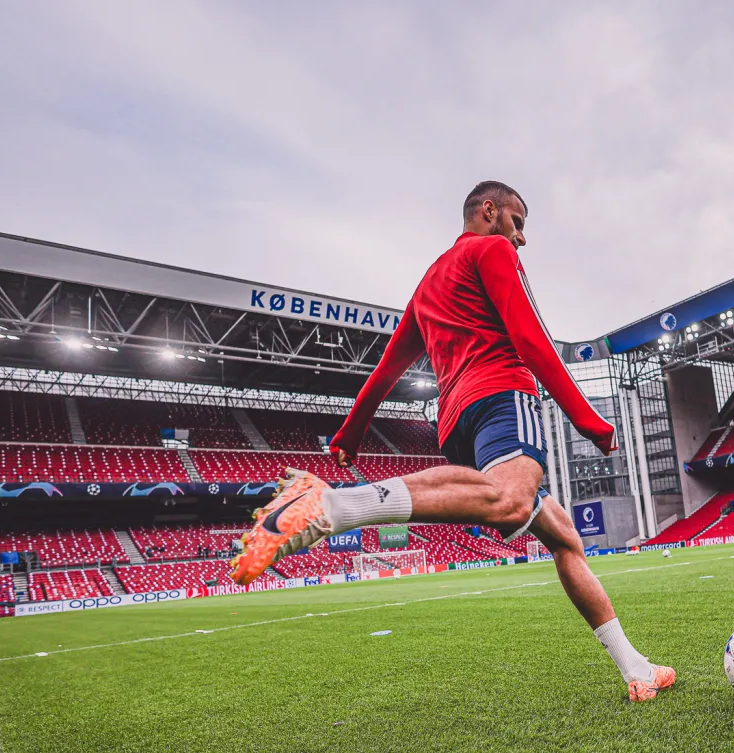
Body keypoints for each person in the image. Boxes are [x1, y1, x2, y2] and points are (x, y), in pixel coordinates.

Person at [229, 181, 674, 702]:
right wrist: (588, 420)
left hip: (454, 423)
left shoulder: (430, 281)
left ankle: (636, 668)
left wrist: (352, 429)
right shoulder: (493, 250)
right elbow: (530, 337)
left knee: (564, 536)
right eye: (519, 220)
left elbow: (389, 365)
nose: (522, 237)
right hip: (502, 395)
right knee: (510, 503)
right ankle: (334, 504)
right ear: (490, 211)